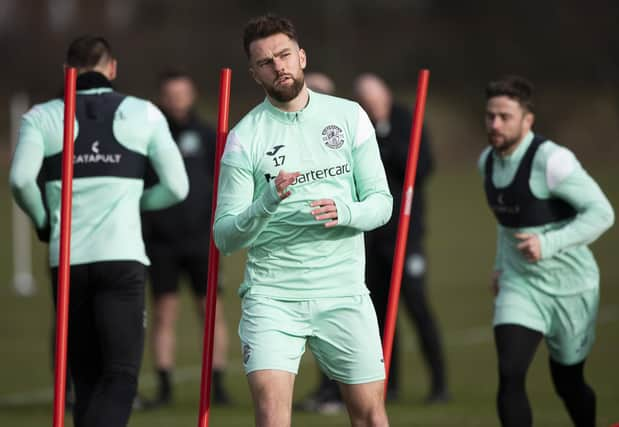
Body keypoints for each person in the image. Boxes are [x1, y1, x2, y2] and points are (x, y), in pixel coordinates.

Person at [214, 14, 393, 427]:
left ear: (302, 56)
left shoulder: (349, 117)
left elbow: (381, 203)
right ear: (254, 74)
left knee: (370, 416)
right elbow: (224, 236)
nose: (278, 66)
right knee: (272, 418)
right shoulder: (244, 137)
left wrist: (346, 211)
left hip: (343, 293)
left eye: (284, 55)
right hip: (272, 298)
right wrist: (266, 201)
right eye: (265, 62)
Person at [9, 35, 188, 427]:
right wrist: (136, 202)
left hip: (67, 259)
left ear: (66, 72)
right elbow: (178, 186)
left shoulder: (41, 116)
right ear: (113, 68)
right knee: (121, 374)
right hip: (121, 258)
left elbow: (21, 180)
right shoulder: (144, 113)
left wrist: (43, 219)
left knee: (85, 377)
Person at [479, 75, 614, 427]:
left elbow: (603, 213)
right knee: (510, 373)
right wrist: (499, 266)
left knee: (568, 383)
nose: (495, 124)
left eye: (505, 117)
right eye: (490, 115)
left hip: (572, 288)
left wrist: (548, 243)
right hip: (520, 284)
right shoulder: (487, 163)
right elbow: (506, 223)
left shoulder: (552, 160)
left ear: (527, 121)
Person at [354, 73, 450, 403]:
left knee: (417, 306)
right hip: (372, 235)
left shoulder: (407, 120)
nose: (372, 106)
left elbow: (421, 168)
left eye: (375, 99)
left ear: (387, 95)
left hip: (406, 234)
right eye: (365, 101)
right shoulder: (360, 126)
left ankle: (440, 384)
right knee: (380, 313)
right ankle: (390, 384)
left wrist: (385, 131)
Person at [139, 70, 230, 408]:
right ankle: (164, 387)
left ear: (192, 95)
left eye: (182, 94)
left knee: (211, 313)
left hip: (202, 241)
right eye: (170, 94)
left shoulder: (208, 135)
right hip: (161, 243)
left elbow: (223, 183)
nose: (177, 100)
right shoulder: (149, 135)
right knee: (164, 313)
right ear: (162, 98)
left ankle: (218, 386)